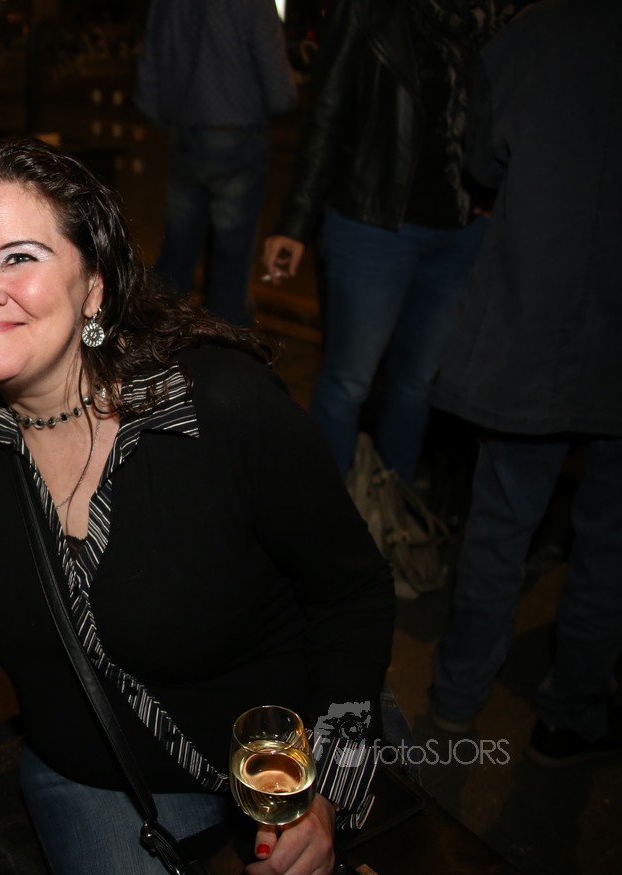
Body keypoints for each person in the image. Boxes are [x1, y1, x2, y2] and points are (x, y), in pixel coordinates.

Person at [0, 139, 394, 874]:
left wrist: (326, 783)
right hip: (95, 776)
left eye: (20, 256)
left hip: (277, 761)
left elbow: (352, 593)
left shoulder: (221, 408)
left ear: (93, 287)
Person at [428, 0, 622, 765]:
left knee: (500, 522)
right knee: (608, 540)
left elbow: (481, 160)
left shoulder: (534, 36)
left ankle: (455, 698)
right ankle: (570, 711)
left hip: (534, 321)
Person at [261, 0, 521, 483]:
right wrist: (295, 222)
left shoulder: (498, 15)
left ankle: (393, 508)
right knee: (349, 382)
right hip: (373, 224)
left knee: (416, 386)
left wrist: (498, 192)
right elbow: (328, 112)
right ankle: (326, 512)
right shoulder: (369, 8)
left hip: (464, 230)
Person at [135, 0, 296, 325]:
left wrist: (173, 116)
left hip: (185, 132)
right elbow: (278, 84)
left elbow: (149, 73)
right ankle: (222, 340)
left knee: (177, 249)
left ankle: (160, 335)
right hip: (237, 133)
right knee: (231, 259)